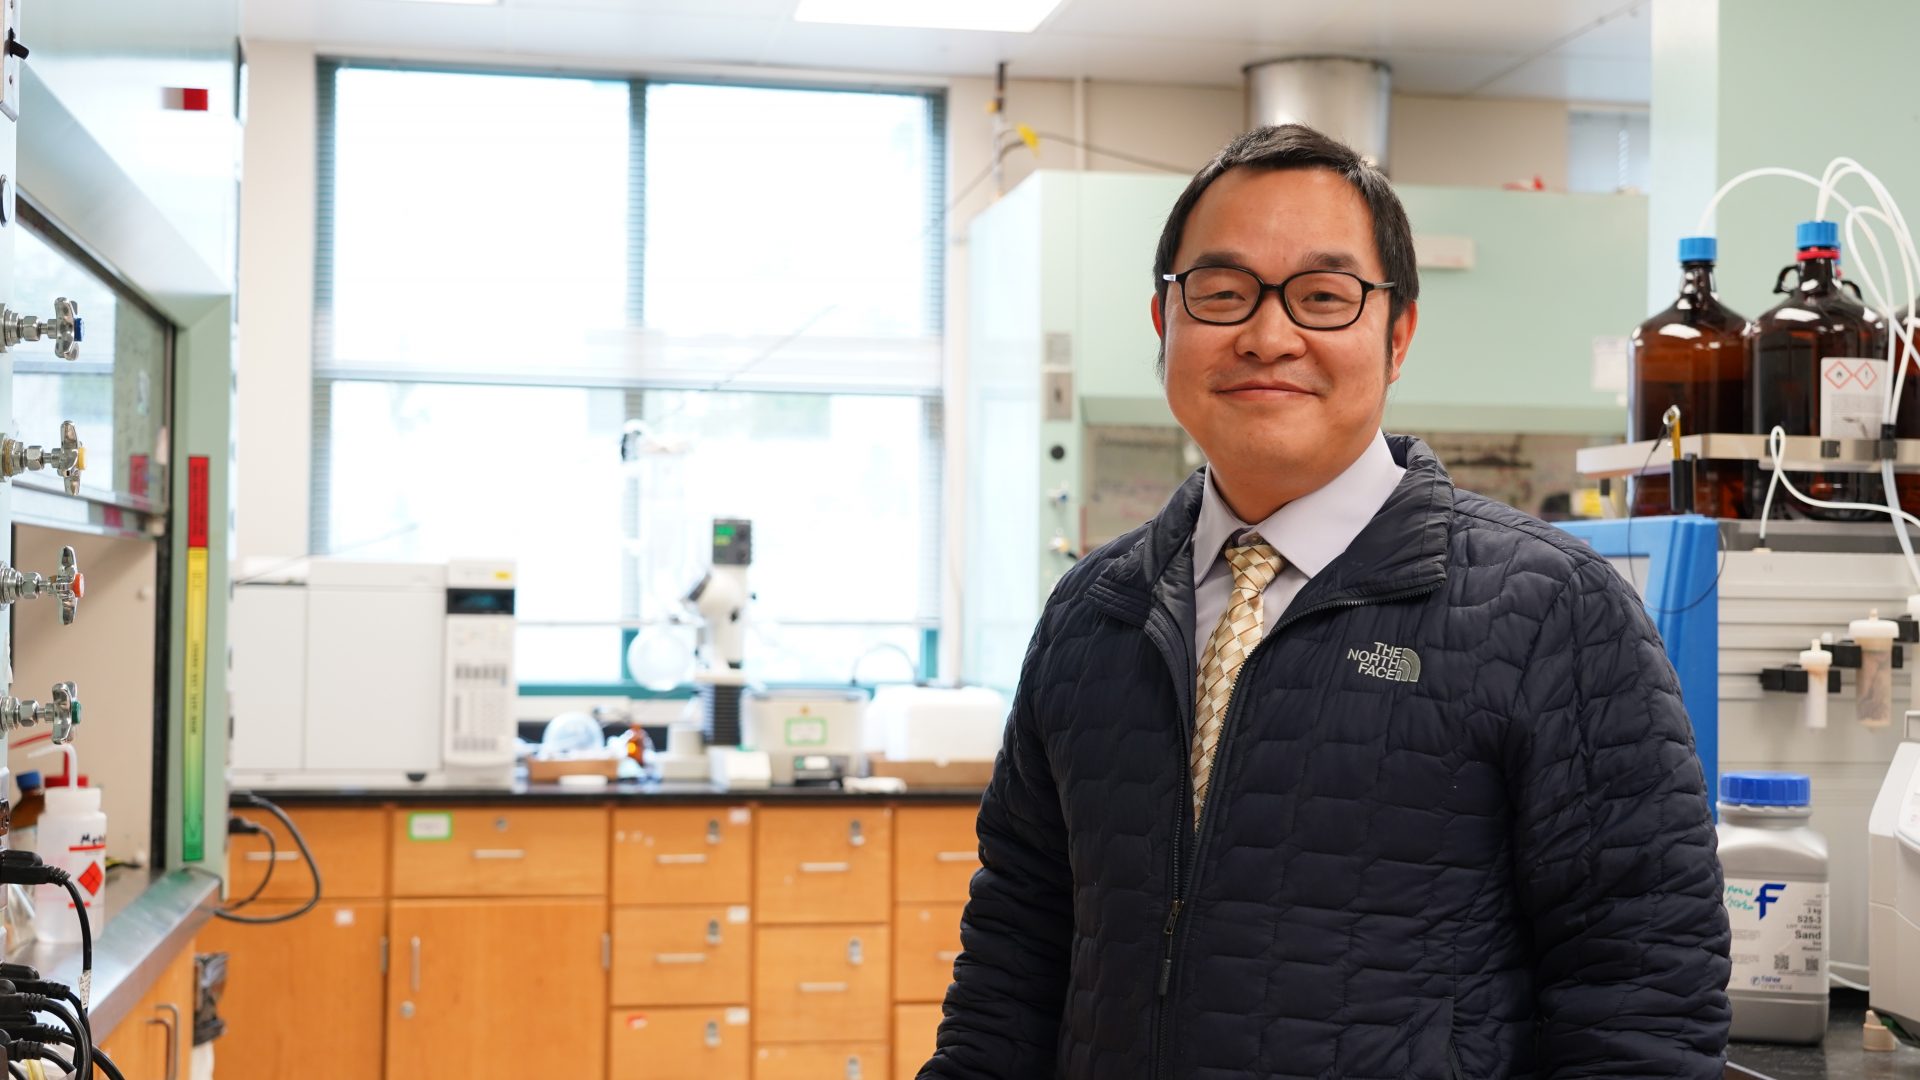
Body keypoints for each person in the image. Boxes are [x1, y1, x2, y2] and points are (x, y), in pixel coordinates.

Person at [921, 123, 1730, 1079]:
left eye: (1323, 296)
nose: (1268, 336)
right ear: (1163, 325)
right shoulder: (1093, 613)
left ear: (1398, 335)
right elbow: (1016, 952)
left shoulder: (1550, 611)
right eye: (1221, 294)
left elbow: (1642, 997)